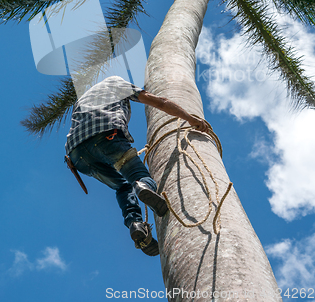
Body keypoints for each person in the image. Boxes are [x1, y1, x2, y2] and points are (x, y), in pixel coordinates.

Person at [65, 76, 208, 256]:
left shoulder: (83, 99)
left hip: (77, 156)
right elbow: (160, 103)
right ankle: (143, 185)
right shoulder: (115, 82)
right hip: (107, 137)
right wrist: (190, 118)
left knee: (123, 187)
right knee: (138, 177)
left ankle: (136, 224)